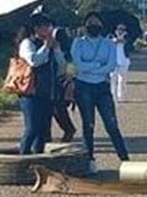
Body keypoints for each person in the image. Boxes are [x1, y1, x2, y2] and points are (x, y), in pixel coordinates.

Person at [71, 11, 130, 170]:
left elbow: (111, 66)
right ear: (85, 25)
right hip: (83, 87)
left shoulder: (108, 43)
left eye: (96, 22)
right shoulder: (78, 43)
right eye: (90, 22)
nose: (93, 25)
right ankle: (89, 160)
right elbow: (78, 64)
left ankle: (125, 159)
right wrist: (98, 66)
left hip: (102, 87)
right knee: (88, 124)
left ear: (101, 25)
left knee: (111, 124)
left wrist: (90, 68)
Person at [16, 14, 64, 155]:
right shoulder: (27, 43)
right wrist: (46, 47)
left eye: (50, 26)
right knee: (32, 128)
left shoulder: (51, 44)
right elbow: (34, 61)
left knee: (43, 130)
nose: (49, 29)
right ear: (36, 28)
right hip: (31, 92)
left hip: (48, 92)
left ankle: (38, 157)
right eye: (46, 26)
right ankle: (22, 156)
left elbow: (61, 66)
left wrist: (56, 49)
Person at [51, 27, 77, 142]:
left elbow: (71, 68)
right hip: (53, 82)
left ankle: (69, 129)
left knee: (58, 108)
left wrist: (69, 80)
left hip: (62, 82)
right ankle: (67, 129)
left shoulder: (66, 52)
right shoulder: (51, 49)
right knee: (55, 109)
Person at [111, 23, 131, 101]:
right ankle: (113, 95)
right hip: (113, 60)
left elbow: (130, 45)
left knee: (122, 79)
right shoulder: (112, 35)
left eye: (122, 29)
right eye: (119, 29)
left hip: (124, 60)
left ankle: (121, 96)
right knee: (112, 78)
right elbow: (109, 43)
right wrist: (115, 41)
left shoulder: (127, 36)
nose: (121, 31)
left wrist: (123, 41)